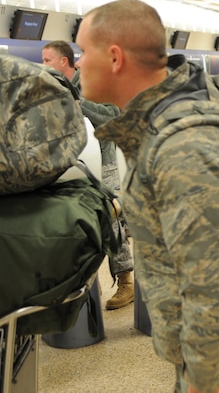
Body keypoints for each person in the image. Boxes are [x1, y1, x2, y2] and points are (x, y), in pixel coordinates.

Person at [76, 0, 219, 393]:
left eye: (82, 51)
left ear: (113, 57)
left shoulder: (185, 146)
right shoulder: (169, 120)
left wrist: (202, 377)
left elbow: (214, 276)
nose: (77, 63)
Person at [42, 40, 135, 310]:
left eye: (48, 60)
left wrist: (79, 105)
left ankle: (125, 280)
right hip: (71, 164)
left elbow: (111, 118)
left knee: (111, 218)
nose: (44, 64)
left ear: (64, 62)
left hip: (106, 160)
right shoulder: (51, 88)